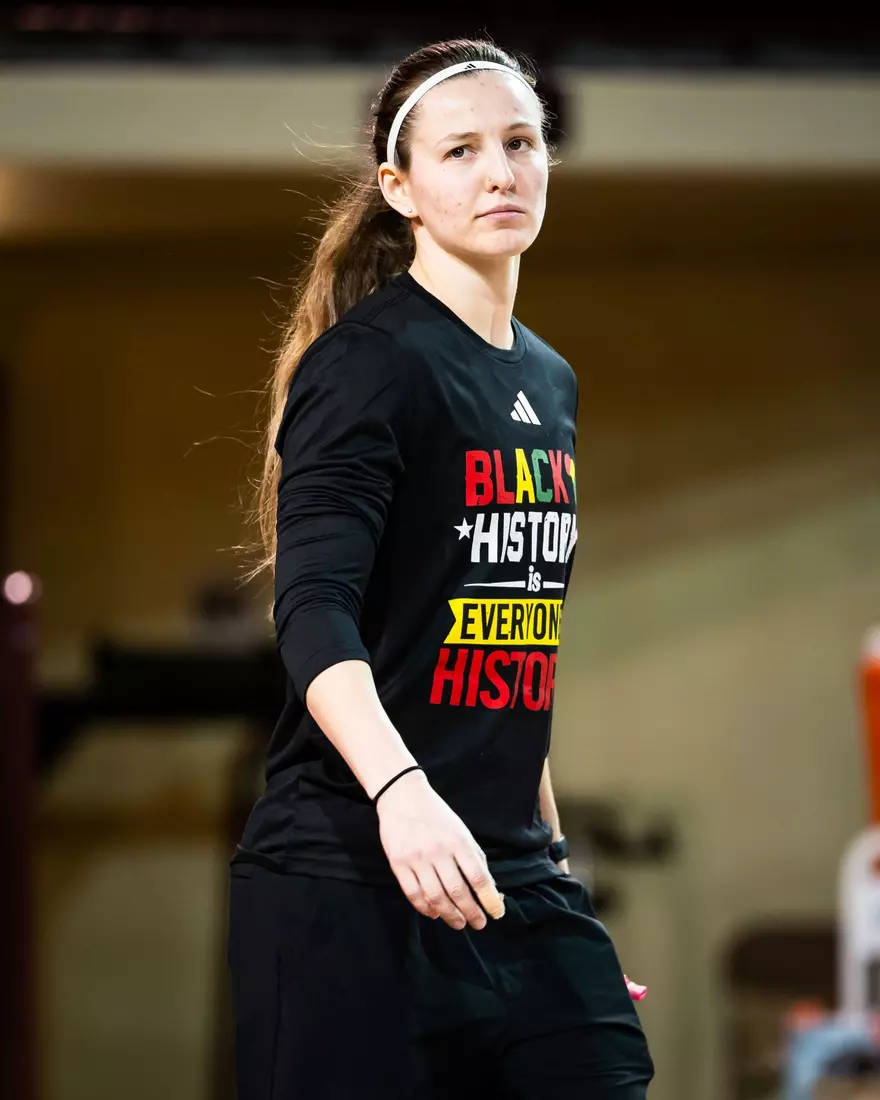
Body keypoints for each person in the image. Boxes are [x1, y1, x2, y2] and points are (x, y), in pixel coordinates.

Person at [228, 37, 654, 1099]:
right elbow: (312, 610)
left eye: (520, 143)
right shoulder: (368, 364)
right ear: (400, 187)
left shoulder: (548, 379)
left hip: (508, 877)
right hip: (349, 872)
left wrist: (555, 879)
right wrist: (402, 792)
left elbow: (515, 645)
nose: (499, 172)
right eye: (460, 151)